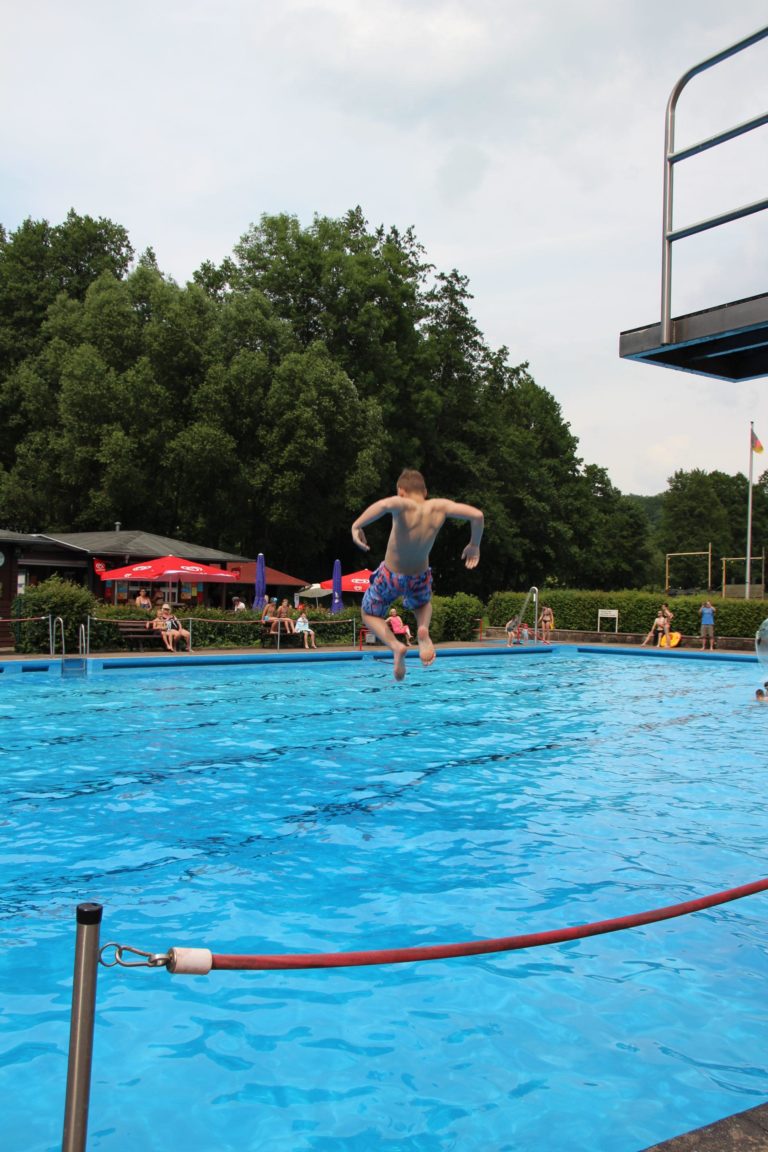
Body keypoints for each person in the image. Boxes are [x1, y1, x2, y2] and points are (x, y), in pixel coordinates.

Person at [351, 468, 484, 681]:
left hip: (391, 574)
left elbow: (384, 505)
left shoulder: (402, 504)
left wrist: (357, 525)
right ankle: (423, 629)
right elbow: (477, 515)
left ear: (400, 491)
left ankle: (396, 646)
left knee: (368, 613)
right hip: (419, 575)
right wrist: (474, 544)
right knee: (422, 605)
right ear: (425, 491)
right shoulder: (438, 506)